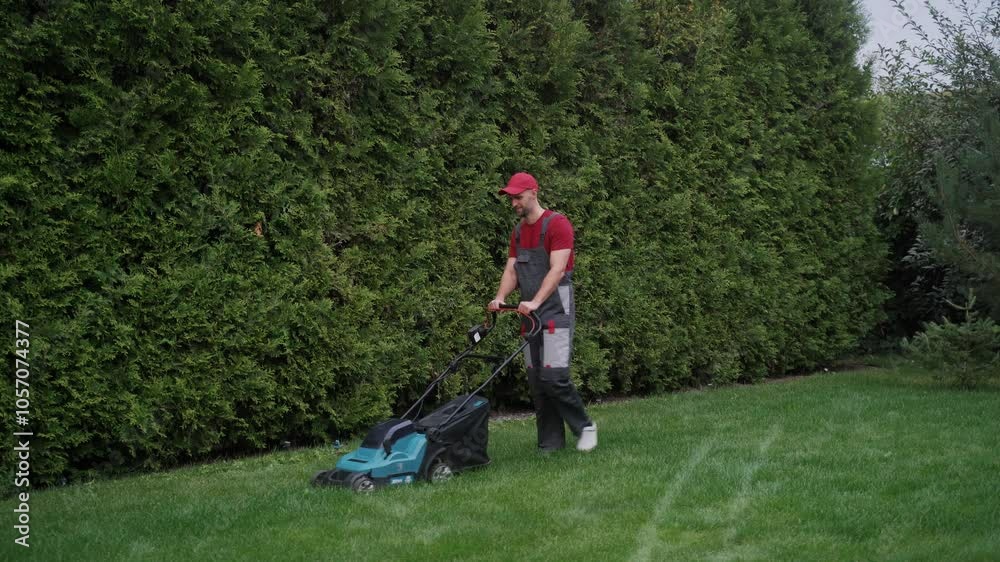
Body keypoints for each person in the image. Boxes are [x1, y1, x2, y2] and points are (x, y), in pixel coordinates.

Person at [488, 172, 597, 452]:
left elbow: (558, 269)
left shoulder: (557, 224)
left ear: (534, 192)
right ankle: (550, 444)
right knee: (537, 381)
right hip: (529, 315)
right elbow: (512, 269)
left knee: (554, 376)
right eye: (511, 198)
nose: (514, 203)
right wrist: (500, 297)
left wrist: (536, 301)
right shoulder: (517, 231)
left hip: (556, 312)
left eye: (518, 197)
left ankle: (585, 426)